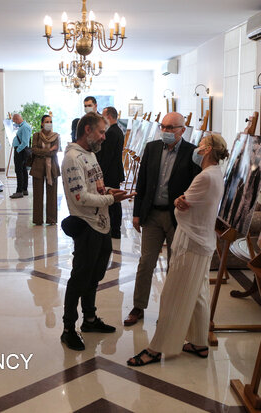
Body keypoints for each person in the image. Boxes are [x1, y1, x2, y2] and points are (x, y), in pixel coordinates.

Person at [127, 133, 229, 366]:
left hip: (191, 243)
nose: (198, 147)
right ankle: (199, 342)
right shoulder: (215, 174)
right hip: (203, 241)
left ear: (208, 150)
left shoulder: (205, 177)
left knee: (172, 296)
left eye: (202, 144)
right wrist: (181, 202)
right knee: (199, 293)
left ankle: (156, 348)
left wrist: (176, 204)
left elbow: (181, 210)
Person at [60, 112, 135, 351]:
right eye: (101, 132)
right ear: (87, 130)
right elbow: (80, 197)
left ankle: (90, 319)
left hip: (101, 225)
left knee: (95, 275)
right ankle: (68, 328)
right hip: (86, 226)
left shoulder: (90, 154)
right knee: (80, 277)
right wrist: (111, 199)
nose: (105, 136)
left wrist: (113, 191)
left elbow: (96, 187)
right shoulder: (73, 158)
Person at [123, 112, 201, 326]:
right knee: (146, 262)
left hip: (177, 218)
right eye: (163, 126)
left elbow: (196, 184)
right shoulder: (152, 148)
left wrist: (187, 200)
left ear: (182, 130)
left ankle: (169, 310)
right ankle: (138, 307)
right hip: (152, 215)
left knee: (175, 265)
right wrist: (137, 213)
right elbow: (143, 182)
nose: (165, 131)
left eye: (171, 128)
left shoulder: (192, 152)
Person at [97, 106, 125, 238]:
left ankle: (115, 229)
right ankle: (114, 228)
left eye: (103, 116)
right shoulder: (116, 130)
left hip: (111, 172)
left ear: (108, 116)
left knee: (113, 200)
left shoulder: (112, 133)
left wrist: (100, 174)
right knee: (114, 200)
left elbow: (107, 156)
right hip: (114, 171)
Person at [30, 115, 60, 225]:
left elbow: (55, 152)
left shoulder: (56, 136)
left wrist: (43, 151)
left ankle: (51, 219)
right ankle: (38, 219)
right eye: (47, 121)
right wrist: (49, 149)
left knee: (52, 194)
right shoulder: (36, 135)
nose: (49, 123)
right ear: (42, 123)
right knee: (37, 194)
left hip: (52, 167)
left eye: (51, 121)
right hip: (38, 167)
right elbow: (34, 150)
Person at [10, 113, 32, 199]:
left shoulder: (25, 127)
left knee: (19, 170)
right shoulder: (23, 126)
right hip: (20, 150)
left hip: (21, 151)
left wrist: (18, 150)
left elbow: (25, 142)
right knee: (22, 170)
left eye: (13, 121)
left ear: (16, 119)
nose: (13, 123)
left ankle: (19, 191)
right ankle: (24, 189)